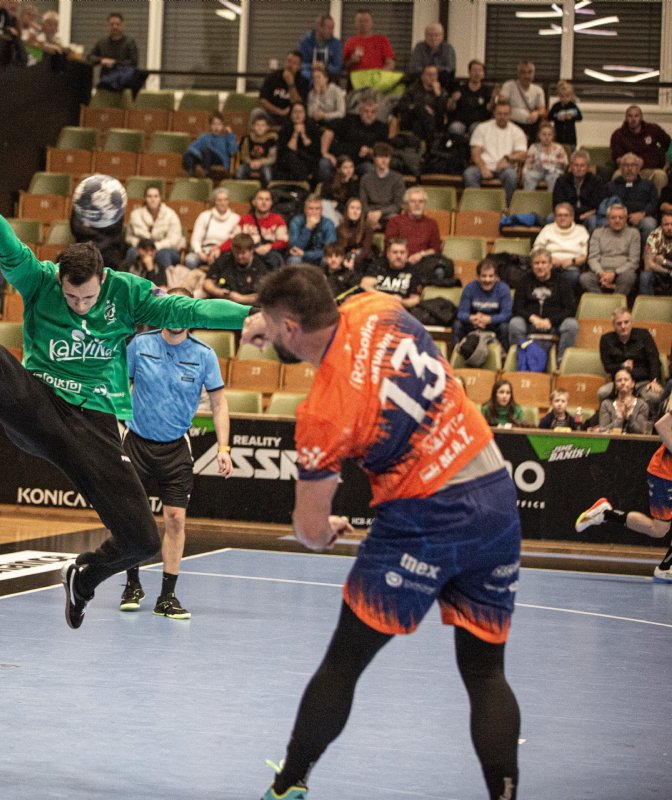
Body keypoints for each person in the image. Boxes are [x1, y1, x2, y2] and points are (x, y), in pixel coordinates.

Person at [0, 154, 252, 630]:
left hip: (95, 424)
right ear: (59, 280)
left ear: (103, 280)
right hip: (41, 401)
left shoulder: (127, 292)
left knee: (142, 540)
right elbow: (13, 250)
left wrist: (250, 316)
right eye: (71, 296)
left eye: (88, 297)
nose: (80, 305)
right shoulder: (40, 281)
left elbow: (188, 310)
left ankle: (83, 577)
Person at [241, 266, 521, 800]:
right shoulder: (377, 305)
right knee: (486, 673)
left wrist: (324, 532)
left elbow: (309, 530)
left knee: (344, 663)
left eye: (274, 328)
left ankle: (288, 785)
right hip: (494, 494)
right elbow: (335, 322)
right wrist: (265, 322)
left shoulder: (324, 412)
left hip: (424, 516)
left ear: (290, 329)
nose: (270, 336)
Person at [119, 289, 234, 619]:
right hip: (136, 442)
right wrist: (116, 427)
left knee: (175, 518)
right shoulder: (140, 345)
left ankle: (167, 597)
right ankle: (132, 584)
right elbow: (119, 388)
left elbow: (219, 404)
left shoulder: (204, 355)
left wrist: (224, 448)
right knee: (131, 517)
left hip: (175, 448)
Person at [575, 412, 672, 583]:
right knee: (658, 529)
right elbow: (662, 425)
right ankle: (665, 568)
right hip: (664, 474)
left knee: (658, 530)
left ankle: (606, 514)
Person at [509, 247, 578, 361]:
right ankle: (521, 360)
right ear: (532, 265)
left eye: (543, 263)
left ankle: (562, 363)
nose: (540, 266)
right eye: (536, 263)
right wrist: (533, 318)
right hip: (530, 324)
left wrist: (550, 321)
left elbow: (570, 309)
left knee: (571, 325)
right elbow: (517, 308)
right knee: (515, 323)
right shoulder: (524, 281)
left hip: (554, 325)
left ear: (550, 265)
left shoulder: (562, 282)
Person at [464, 100, 527, 205]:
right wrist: (482, 168)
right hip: (484, 166)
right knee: (469, 174)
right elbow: (475, 153)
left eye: (505, 114)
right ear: (494, 113)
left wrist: (507, 158)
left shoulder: (517, 131)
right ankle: (478, 206)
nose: (502, 117)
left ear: (510, 115)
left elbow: (522, 154)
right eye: (499, 114)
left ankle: (506, 208)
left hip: (505, 168)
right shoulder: (482, 128)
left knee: (511, 176)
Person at [597, 307, 663, 407]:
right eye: (619, 323)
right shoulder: (606, 339)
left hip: (643, 381)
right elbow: (607, 366)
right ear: (613, 325)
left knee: (654, 396)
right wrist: (622, 366)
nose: (623, 326)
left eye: (626, 322)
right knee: (602, 393)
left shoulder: (644, 335)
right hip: (619, 383)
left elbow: (654, 359)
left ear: (632, 323)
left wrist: (655, 380)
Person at [318, 98, 391, 183]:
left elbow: (384, 152)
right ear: (360, 111)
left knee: (370, 170)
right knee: (324, 164)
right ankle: (328, 189)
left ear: (377, 113)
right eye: (366, 111)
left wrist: (370, 151)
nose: (369, 115)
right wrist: (325, 152)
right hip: (340, 159)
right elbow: (329, 131)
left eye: (373, 112)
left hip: (361, 163)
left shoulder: (382, 128)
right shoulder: (349, 120)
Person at [609, 105, 670, 193]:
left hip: (651, 169)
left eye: (636, 116)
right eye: (630, 116)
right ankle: (622, 202)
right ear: (626, 118)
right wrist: (633, 163)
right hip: (628, 169)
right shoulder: (618, 134)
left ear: (641, 117)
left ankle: (655, 201)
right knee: (617, 175)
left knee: (661, 175)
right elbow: (617, 158)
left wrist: (667, 164)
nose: (633, 119)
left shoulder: (653, 129)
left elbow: (669, 145)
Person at [584, 203, 642, 296]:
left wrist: (614, 273)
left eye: (621, 217)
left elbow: (634, 261)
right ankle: (601, 302)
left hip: (622, 273)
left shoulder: (633, 233)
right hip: (601, 272)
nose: (617, 220)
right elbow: (593, 258)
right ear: (607, 219)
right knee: (585, 278)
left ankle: (616, 302)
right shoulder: (598, 233)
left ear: (626, 218)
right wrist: (601, 273)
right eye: (613, 218)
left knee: (629, 277)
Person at [220, 187, 289, 263]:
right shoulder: (245, 219)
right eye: (260, 199)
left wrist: (269, 246)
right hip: (247, 253)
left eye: (267, 199)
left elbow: (284, 241)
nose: (264, 202)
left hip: (269, 254)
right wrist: (219, 249)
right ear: (254, 202)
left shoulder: (278, 219)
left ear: (271, 203)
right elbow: (233, 239)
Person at [454, 258, 511, 347]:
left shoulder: (504, 289)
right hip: (474, 323)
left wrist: (489, 319)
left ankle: (503, 354)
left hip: (494, 324)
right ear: (477, 277)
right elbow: (461, 313)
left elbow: (507, 314)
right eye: (483, 276)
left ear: (496, 277)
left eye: (491, 276)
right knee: (457, 324)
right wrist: (472, 318)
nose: (487, 280)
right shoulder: (469, 288)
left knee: (505, 327)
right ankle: (456, 352)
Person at [533, 202, 589, 292]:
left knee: (572, 277)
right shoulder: (547, 229)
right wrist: (549, 259)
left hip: (572, 267)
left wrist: (572, 261)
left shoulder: (581, 230)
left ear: (572, 217)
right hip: (549, 265)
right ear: (555, 217)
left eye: (566, 215)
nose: (563, 218)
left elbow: (585, 255)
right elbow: (536, 249)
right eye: (559, 215)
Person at [125, 185, 183, 270]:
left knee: (163, 255)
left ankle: (164, 278)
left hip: (164, 248)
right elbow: (129, 237)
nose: (153, 199)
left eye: (156, 196)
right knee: (132, 252)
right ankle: (130, 277)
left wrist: (155, 246)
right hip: (141, 247)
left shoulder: (171, 215)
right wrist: (142, 246)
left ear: (160, 198)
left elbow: (174, 239)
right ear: (145, 198)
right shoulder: (135, 215)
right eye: (149, 196)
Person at [203, 233, 269, 305]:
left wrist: (240, 298)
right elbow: (207, 283)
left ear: (251, 250)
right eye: (236, 252)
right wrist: (219, 292)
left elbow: (262, 296)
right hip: (222, 301)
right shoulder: (224, 260)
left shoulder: (260, 267)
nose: (239, 256)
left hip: (246, 306)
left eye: (243, 253)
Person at [608, 152, 660, 243]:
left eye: (633, 165)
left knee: (650, 224)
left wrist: (643, 214)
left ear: (639, 168)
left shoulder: (648, 185)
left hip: (642, 217)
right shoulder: (611, 185)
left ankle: (646, 252)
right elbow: (606, 204)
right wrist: (620, 217)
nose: (629, 168)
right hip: (617, 218)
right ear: (620, 168)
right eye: (626, 165)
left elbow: (654, 203)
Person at [552, 150, 608, 232]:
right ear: (571, 166)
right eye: (576, 165)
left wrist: (586, 214)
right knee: (551, 218)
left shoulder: (596, 181)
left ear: (588, 167)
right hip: (567, 215)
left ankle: (591, 240)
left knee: (593, 220)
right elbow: (558, 204)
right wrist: (575, 215)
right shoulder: (561, 181)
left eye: (582, 165)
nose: (579, 168)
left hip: (587, 216)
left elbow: (597, 205)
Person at [87, 12, 143, 95]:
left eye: (117, 24)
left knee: (132, 72)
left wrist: (114, 62)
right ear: (108, 26)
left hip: (124, 83)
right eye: (112, 24)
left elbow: (134, 62)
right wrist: (102, 60)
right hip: (106, 81)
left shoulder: (130, 43)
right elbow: (89, 58)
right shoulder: (102, 43)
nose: (115, 27)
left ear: (122, 25)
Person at [186, 187, 240, 270]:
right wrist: (200, 253)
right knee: (190, 260)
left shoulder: (235, 218)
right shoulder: (204, 216)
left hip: (224, 252)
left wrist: (219, 250)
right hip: (204, 251)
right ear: (215, 202)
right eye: (219, 200)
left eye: (225, 200)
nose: (223, 203)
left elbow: (235, 241)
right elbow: (195, 239)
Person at [384, 186, 441, 264]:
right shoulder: (395, 221)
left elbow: (435, 249)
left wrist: (421, 255)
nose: (417, 205)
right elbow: (390, 246)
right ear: (407, 204)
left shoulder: (432, 223)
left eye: (421, 201)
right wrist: (404, 258)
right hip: (399, 262)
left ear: (425, 204)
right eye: (413, 201)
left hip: (423, 262)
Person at [360, 238, 420, 309]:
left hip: (398, 309)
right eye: (395, 252)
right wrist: (388, 298)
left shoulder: (413, 270)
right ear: (388, 254)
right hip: (375, 305)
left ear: (407, 254)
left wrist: (401, 302)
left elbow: (415, 299)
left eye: (402, 252)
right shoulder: (378, 265)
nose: (399, 256)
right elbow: (365, 285)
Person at [358, 142, 405, 230]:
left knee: (395, 220)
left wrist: (380, 213)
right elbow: (363, 202)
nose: (384, 160)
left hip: (388, 214)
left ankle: (380, 227)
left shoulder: (398, 178)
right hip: (369, 214)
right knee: (357, 218)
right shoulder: (366, 178)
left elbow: (397, 205)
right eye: (380, 157)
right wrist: (370, 214)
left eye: (386, 157)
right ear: (374, 158)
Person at [396, 65, 449, 143]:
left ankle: (424, 146)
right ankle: (431, 145)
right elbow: (401, 105)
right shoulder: (413, 89)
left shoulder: (442, 92)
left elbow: (444, 111)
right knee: (421, 110)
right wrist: (420, 107)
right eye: (429, 74)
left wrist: (438, 95)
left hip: (432, 121)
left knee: (419, 126)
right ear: (422, 77)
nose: (432, 77)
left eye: (434, 74)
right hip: (411, 118)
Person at [273, 102, 322, 184]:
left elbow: (314, 150)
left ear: (305, 114)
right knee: (290, 157)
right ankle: (304, 182)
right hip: (289, 162)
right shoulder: (285, 128)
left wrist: (303, 134)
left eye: (300, 112)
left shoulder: (312, 127)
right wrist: (295, 133)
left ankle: (305, 182)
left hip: (308, 161)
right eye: (295, 112)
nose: (298, 115)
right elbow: (288, 150)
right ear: (290, 114)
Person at [592, 367, 652, 434]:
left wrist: (629, 416)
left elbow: (640, 431)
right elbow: (603, 430)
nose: (623, 382)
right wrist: (619, 419)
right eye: (619, 380)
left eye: (626, 379)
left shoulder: (642, 405)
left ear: (633, 383)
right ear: (615, 385)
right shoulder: (606, 404)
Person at [255, 50, 308, 126]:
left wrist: (290, 84)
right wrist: (280, 112)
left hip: (291, 117)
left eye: (294, 63)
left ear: (299, 67)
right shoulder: (272, 77)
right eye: (289, 61)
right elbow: (263, 100)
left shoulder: (303, 81)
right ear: (284, 62)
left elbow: (299, 104)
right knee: (257, 112)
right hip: (271, 115)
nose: (290, 65)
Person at [497, 60, 546, 142]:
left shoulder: (538, 90)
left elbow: (543, 110)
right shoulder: (509, 85)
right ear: (518, 74)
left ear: (533, 74)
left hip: (531, 125)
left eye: (530, 72)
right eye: (523, 72)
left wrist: (536, 113)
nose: (527, 76)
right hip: (512, 123)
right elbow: (501, 104)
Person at [446, 59, 494, 137]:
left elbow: (490, 109)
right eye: (474, 70)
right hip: (460, 122)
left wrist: (493, 98)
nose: (477, 73)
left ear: (483, 73)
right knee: (454, 128)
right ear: (469, 72)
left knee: (477, 129)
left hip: (478, 122)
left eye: (480, 70)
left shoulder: (487, 90)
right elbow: (451, 108)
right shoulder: (460, 88)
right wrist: (453, 100)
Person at [183, 113, 238, 179]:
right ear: (210, 125)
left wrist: (230, 134)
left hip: (220, 160)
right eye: (214, 124)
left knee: (206, 150)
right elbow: (191, 147)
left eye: (219, 124)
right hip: (204, 157)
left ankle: (205, 173)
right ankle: (191, 175)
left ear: (223, 126)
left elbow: (233, 151)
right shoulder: (205, 136)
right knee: (188, 154)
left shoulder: (226, 138)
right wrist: (198, 154)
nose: (216, 127)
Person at [286, 197, 336, 266]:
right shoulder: (296, 221)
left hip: (318, 256)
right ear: (305, 210)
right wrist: (308, 228)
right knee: (295, 259)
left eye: (317, 209)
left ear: (321, 210)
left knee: (326, 259)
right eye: (311, 208)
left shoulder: (328, 224)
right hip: (300, 257)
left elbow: (329, 251)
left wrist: (305, 254)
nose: (314, 212)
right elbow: (294, 248)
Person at [342, 9, 395, 74]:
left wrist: (380, 74)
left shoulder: (382, 40)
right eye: (360, 21)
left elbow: (390, 63)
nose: (363, 23)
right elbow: (343, 66)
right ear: (355, 23)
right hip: (356, 79)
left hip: (376, 79)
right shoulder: (350, 42)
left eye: (366, 21)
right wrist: (351, 61)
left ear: (372, 23)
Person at [521, 121, 568, 191]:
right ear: (539, 135)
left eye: (549, 135)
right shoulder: (534, 147)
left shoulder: (558, 147)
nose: (546, 137)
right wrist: (525, 172)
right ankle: (528, 197)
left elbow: (565, 162)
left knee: (555, 178)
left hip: (553, 171)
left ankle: (552, 198)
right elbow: (528, 163)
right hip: (537, 171)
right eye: (544, 134)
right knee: (528, 176)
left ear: (553, 136)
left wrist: (552, 161)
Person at [408, 22, 455, 89]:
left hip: (443, 84)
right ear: (425, 36)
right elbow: (414, 68)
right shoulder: (419, 47)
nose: (433, 38)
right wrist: (430, 73)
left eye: (436, 35)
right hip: (421, 85)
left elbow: (450, 69)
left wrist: (431, 71)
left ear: (442, 36)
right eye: (430, 35)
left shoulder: (448, 49)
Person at [297, 13, 342, 83]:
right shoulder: (305, 42)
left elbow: (338, 68)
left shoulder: (336, 44)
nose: (332, 32)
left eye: (332, 28)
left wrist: (325, 67)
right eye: (329, 28)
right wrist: (312, 66)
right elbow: (299, 64)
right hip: (308, 79)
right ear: (319, 27)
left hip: (329, 79)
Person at [333, 196, 374, 268]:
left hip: (362, 260)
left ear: (362, 212)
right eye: (352, 208)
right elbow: (340, 249)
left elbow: (366, 250)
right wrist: (344, 261)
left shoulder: (368, 228)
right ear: (347, 210)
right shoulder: (339, 229)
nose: (355, 211)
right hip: (345, 260)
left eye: (358, 208)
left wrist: (354, 261)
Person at [236, 115, 276, 186]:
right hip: (249, 164)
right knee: (240, 170)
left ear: (267, 127)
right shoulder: (247, 138)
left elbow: (272, 158)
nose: (260, 128)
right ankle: (242, 189)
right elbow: (243, 154)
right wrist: (250, 162)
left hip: (264, 165)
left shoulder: (271, 139)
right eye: (257, 125)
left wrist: (260, 162)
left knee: (267, 173)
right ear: (253, 126)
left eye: (263, 125)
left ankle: (265, 190)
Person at [320, 156, 358, 225]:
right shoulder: (330, 181)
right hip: (329, 211)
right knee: (324, 204)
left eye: (351, 167)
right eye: (345, 167)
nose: (349, 170)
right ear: (339, 169)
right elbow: (324, 198)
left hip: (344, 214)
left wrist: (337, 205)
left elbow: (353, 202)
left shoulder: (354, 184)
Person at [642, 209, 672, 296]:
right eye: (666, 224)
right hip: (660, 272)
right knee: (645, 276)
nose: (669, 228)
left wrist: (664, 262)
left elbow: (655, 263)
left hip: (664, 266)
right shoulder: (654, 236)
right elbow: (648, 266)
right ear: (661, 225)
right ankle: (647, 304)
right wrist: (668, 271)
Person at [547, 80, 582, 148]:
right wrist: (557, 117)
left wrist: (571, 117)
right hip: (558, 136)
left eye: (567, 96)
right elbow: (549, 117)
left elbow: (580, 117)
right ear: (559, 96)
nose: (565, 98)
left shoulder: (572, 106)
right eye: (562, 96)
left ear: (571, 96)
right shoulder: (556, 106)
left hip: (570, 137)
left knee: (570, 150)